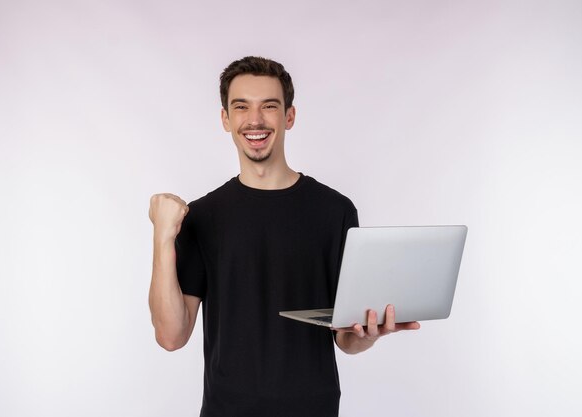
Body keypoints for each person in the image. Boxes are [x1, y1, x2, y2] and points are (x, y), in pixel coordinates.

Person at [148, 56, 420, 417]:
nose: (255, 120)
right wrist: (163, 237)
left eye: (269, 107)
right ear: (225, 119)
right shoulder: (203, 216)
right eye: (241, 106)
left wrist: (367, 333)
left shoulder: (335, 211)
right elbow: (171, 336)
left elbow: (345, 337)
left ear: (289, 116)